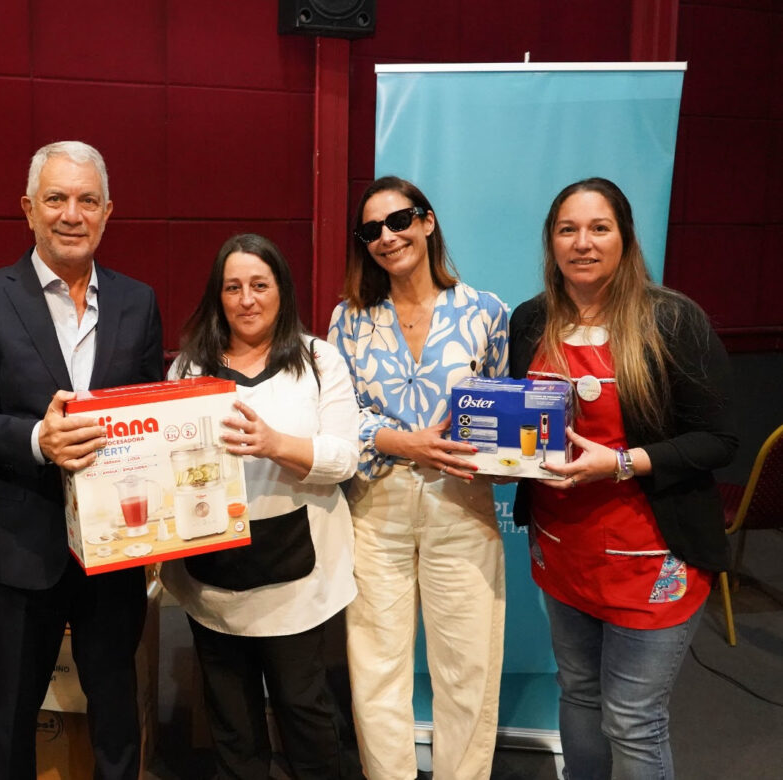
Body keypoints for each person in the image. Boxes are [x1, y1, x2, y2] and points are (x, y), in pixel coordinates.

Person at [0, 141, 163, 779]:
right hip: (17, 549)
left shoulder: (137, 301)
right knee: (11, 713)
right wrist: (39, 440)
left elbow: (150, 413)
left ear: (108, 211)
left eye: (87, 200)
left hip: (113, 552)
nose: (72, 213)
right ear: (29, 209)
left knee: (117, 706)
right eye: (57, 198)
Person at [509, 177, 736, 779]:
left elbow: (719, 441)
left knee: (634, 718)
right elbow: (524, 424)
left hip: (652, 555)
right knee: (579, 694)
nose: (583, 243)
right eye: (568, 229)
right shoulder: (530, 320)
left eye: (599, 228)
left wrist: (621, 462)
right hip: (564, 551)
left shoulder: (673, 321)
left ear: (625, 238)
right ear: (551, 243)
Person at [328, 176, 509, 780]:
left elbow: (503, 413)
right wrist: (402, 440)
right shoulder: (349, 321)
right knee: (377, 670)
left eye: (399, 220)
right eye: (371, 230)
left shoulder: (487, 313)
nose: (387, 236)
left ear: (428, 222)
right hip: (374, 508)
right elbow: (336, 420)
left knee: (467, 672)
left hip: (461, 506)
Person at [163, 233, 360, 779]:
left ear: (282, 291)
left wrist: (276, 444)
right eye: (233, 287)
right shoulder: (188, 370)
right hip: (214, 576)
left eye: (259, 285)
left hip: (298, 577)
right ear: (217, 296)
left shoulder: (319, 360)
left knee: (304, 710)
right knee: (231, 719)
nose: (246, 299)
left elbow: (345, 457)